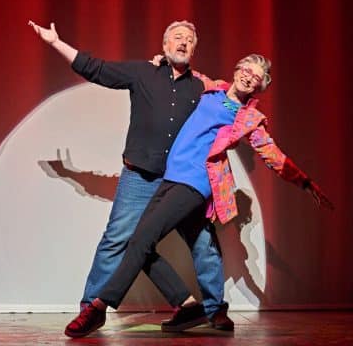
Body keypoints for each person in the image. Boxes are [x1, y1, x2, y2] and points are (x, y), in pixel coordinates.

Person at [65, 53, 334, 337]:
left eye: (256, 77)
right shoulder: (211, 88)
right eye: (246, 70)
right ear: (237, 69)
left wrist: (304, 181)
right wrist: (163, 61)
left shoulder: (249, 118)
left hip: (196, 181)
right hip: (170, 177)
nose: (248, 77)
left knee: (149, 241)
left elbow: (272, 154)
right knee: (143, 244)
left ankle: (98, 307)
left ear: (259, 87)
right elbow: (183, 73)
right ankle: (188, 305)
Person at [28, 20, 234, 337]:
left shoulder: (202, 88)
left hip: (182, 182)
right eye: (177, 37)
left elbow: (233, 103)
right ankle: (91, 309)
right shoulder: (143, 73)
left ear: (194, 49)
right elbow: (96, 69)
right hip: (140, 176)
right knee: (119, 240)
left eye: (189, 39)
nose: (183, 42)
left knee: (203, 242)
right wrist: (56, 42)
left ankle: (214, 310)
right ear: (165, 46)